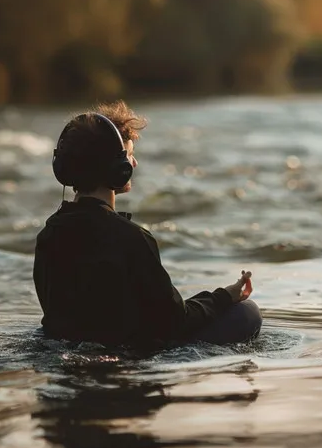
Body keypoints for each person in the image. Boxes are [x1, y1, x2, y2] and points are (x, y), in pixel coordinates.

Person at [32, 100, 262, 350]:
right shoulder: (132, 239)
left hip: (65, 353)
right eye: (129, 156)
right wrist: (226, 296)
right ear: (117, 168)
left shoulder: (49, 234)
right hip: (128, 357)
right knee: (247, 313)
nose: (135, 164)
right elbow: (175, 321)